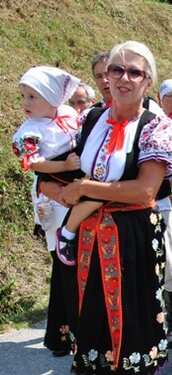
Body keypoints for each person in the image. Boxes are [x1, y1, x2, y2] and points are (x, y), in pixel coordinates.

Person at [42, 41, 172, 373]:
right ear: (106, 75)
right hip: (89, 233)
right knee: (91, 311)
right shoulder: (91, 119)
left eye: (134, 72)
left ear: (147, 82)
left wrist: (85, 189)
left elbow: (144, 190)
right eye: (116, 69)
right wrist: (49, 186)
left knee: (132, 314)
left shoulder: (155, 127)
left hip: (132, 235)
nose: (123, 78)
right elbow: (66, 169)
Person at [12, 66, 81, 357]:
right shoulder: (30, 130)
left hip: (77, 194)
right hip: (53, 200)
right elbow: (34, 163)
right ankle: (72, 334)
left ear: (54, 98)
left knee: (70, 266)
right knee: (66, 263)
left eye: (33, 96)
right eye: (24, 96)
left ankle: (61, 335)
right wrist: (65, 166)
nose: (26, 103)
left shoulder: (69, 116)